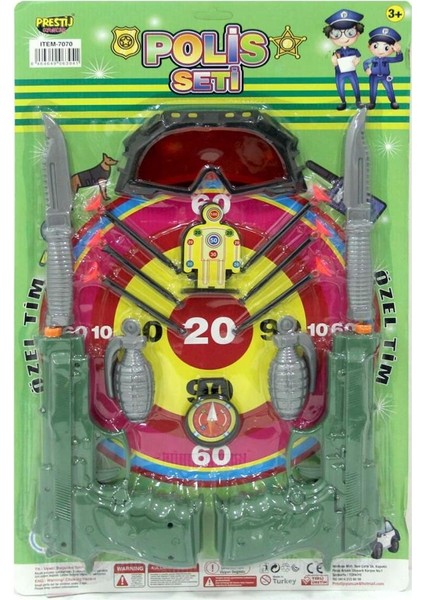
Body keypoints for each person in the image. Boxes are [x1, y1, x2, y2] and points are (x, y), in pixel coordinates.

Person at [323, 9, 365, 110]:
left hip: (351, 72)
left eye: (350, 32)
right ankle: (343, 102)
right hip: (340, 73)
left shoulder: (354, 50)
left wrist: (357, 61)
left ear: (358, 33)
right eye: (336, 34)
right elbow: (334, 62)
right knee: (340, 87)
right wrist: (334, 61)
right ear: (330, 35)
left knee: (355, 85)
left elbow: (358, 57)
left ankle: (358, 101)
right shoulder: (336, 52)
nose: (343, 38)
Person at [363, 27, 403, 109]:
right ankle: (372, 103)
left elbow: (398, 59)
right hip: (374, 76)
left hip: (385, 76)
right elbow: (365, 63)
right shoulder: (373, 59)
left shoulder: (387, 59)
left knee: (389, 89)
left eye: (386, 48)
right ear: (369, 46)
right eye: (376, 46)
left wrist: (398, 51)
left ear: (392, 49)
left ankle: (393, 101)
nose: (380, 51)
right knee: (373, 90)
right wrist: (367, 69)